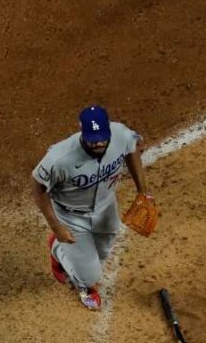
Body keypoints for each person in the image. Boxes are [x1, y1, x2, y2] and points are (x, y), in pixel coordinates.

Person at [31, 105, 150, 310]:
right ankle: (74, 273)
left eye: (103, 137)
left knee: (102, 253)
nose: (99, 143)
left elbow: (133, 151)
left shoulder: (120, 134)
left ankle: (66, 254)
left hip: (106, 207)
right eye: (93, 139)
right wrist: (57, 227)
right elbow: (37, 188)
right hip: (71, 217)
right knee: (90, 276)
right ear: (81, 131)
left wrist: (143, 192)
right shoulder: (59, 159)